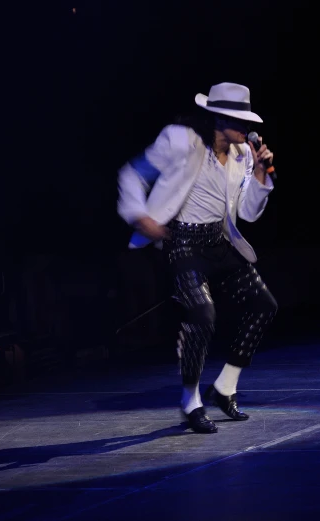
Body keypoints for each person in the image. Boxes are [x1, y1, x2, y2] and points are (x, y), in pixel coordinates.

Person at [117, 82, 278, 433]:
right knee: (203, 315)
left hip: (219, 242)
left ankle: (225, 387)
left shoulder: (243, 154)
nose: (245, 126)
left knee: (263, 305)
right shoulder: (181, 141)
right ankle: (191, 399)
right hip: (183, 242)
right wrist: (140, 216)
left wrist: (264, 175)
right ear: (217, 118)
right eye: (237, 119)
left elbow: (248, 213)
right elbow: (131, 174)